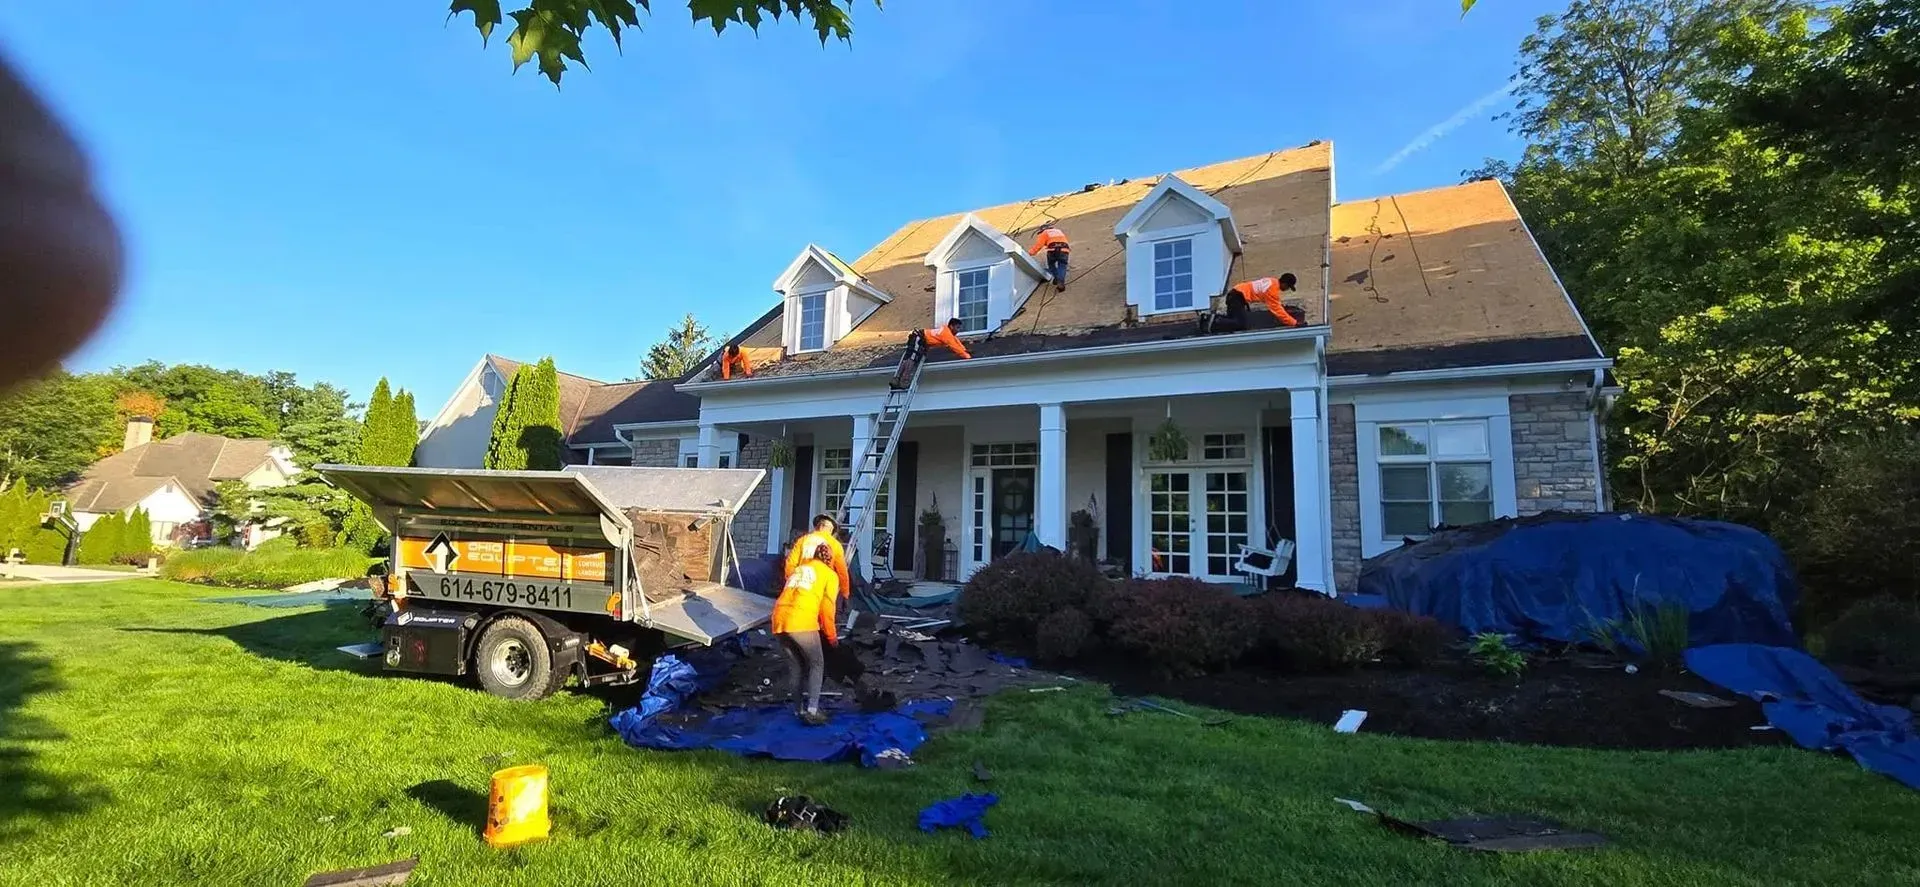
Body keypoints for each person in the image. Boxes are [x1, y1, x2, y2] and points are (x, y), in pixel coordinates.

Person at [772, 541, 840, 725]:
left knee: (796, 667)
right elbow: (827, 610)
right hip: (800, 620)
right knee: (816, 663)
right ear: (830, 560)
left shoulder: (801, 569)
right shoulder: (829, 575)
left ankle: (798, 710)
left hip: (779, 619)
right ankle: (812, 710)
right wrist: (832, 637)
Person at [890, 318, 973, 390]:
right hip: (919, 338)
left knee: (910, 358)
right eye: (957, 327)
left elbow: (956, 342)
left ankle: (897, 379)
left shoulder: (947, 332)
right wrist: (968, 357)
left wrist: (965, 350)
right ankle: (903, 380)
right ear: (951, 326)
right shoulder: (946, 334)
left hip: (922, 340)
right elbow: (955, 347)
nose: (958, 330)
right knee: (912, 358)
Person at [785, 513, 851, 600]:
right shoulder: (835, 545)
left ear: (817, 526)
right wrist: (845, 594)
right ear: (831, 530)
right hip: (821, 589)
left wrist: (793, 583)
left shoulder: (802, 540)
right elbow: (842, 572)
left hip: (801, 587)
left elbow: (790, 564)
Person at [1230, 274, 1302, 326]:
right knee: (1240, 323)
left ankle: (1220, 320)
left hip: (1236, 293)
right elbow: (1278, 311)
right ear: (1284, 284)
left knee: (1232, 319)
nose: (1287, 289)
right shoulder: (1272, 290)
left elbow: (1273, 301)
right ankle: (1218, 320)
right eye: (1288, 287)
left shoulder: (1272, 281)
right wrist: (1294, 323)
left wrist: (1281, 306)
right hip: (1237, 297)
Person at [1027, 223, 1070, 291]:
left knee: (1051, 264)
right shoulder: (1058, 231)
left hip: (1052, 250)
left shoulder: (1045, 233)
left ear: (1042, 229)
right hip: (1064, 250)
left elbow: (1039, 245)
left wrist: (1030, 253)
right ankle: (1060, 280)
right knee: (1062, 265)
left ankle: (1056, 277)